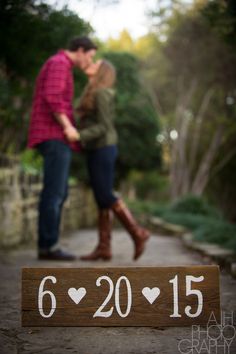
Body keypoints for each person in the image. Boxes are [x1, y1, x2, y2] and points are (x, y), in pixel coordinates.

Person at [28, 36, 97, 261]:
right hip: (54, 134)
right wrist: (68, 127)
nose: (89, 60)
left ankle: (48, 245)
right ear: (79, 50)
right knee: (55, 193)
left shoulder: (62, 65)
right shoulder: (59, 63)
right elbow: (53, 97)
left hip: (56, 135)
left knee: (58, 192)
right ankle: (49, 247)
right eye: (89, 55)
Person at [76, 59, 150, 261]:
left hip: (103, 148)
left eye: (96, 63)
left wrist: (79, 135)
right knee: (101, 199)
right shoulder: (91, 90)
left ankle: (137, 233)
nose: (90, 63)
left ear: (101, 71)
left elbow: (104, 126)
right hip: (95, 149)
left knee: (105, 195)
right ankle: (103, 248)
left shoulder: (101, 94)